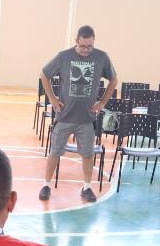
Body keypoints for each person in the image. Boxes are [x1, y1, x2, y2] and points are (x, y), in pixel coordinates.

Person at [39, 25, 117, 204]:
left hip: (86, 118)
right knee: (55, 152)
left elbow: (114, 80)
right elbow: (44, 74)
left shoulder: (101, 57)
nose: (86, 50)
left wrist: (102, 102)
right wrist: (51, 98)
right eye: (83, 46)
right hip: (65, 116)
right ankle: (46, 185)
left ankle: (87, 187)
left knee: (88, 154)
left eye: (89, 46)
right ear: (76, 41)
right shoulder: (64, 57)